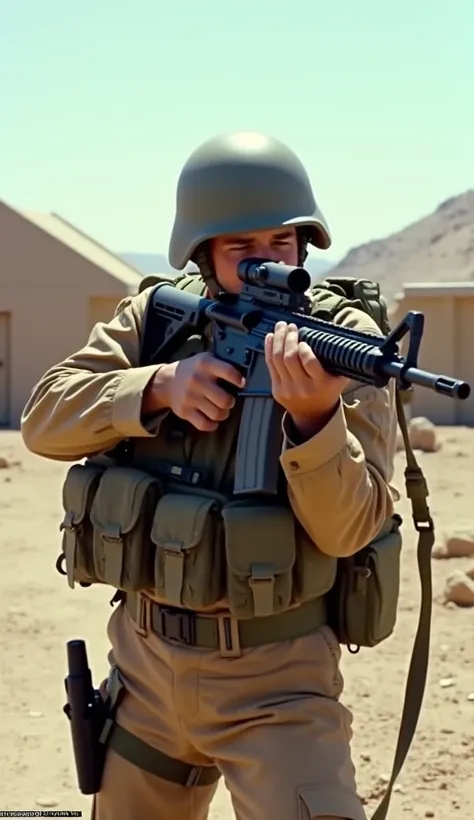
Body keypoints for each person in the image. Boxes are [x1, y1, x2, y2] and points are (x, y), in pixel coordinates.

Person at [21, 130, 399, 820]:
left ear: (305, 245)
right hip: (143, 668)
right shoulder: (156, 321)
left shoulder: (344, 344)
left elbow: (350, 530)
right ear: (201, 254)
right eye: (241, 250)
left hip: (277, 683)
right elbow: (44, 419)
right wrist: (158, 386)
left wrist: (315, 420)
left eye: (280, 246)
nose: (266, 266)